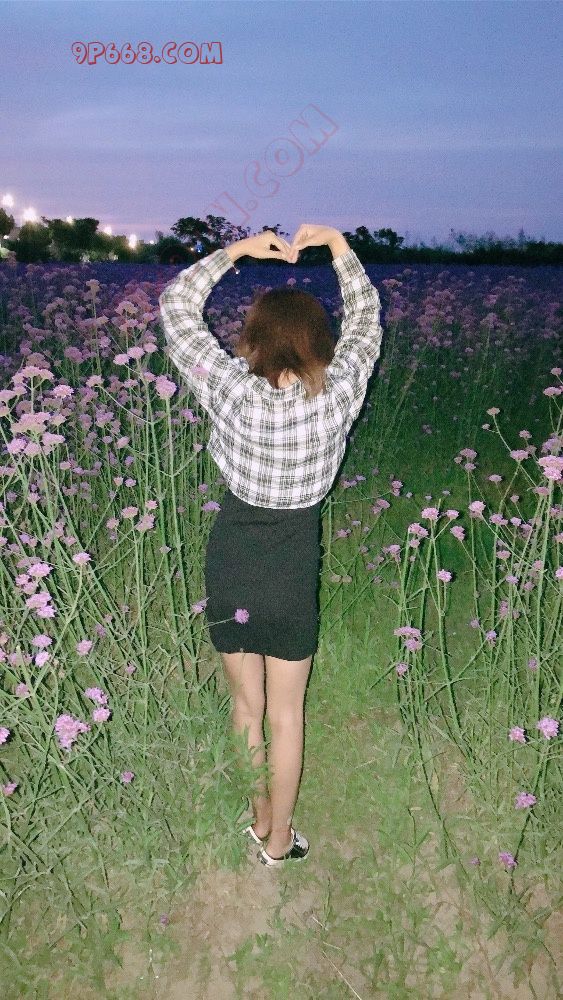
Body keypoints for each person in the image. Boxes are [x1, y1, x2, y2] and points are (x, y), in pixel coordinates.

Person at [158, 224, 384, 866]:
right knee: (288, 714)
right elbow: (366, 321)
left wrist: (235, 251)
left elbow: (176, 306)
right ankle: (279, 841)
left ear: (252, 339)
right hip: (292, 566)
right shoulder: (339, 390)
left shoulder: (231, 388)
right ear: (319, 342)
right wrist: (338, 247)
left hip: (233, 556)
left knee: (246, 706)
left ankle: (258, 817)